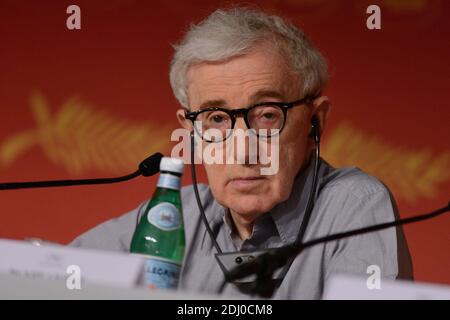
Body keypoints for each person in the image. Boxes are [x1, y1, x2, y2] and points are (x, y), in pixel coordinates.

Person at [70, 7, 412, 299]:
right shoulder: (178, 215)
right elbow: (47, 279)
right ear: (192, 131)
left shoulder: (354, 205)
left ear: (314, 123)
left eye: (266, 115)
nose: (244, 151)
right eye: (216, 118)